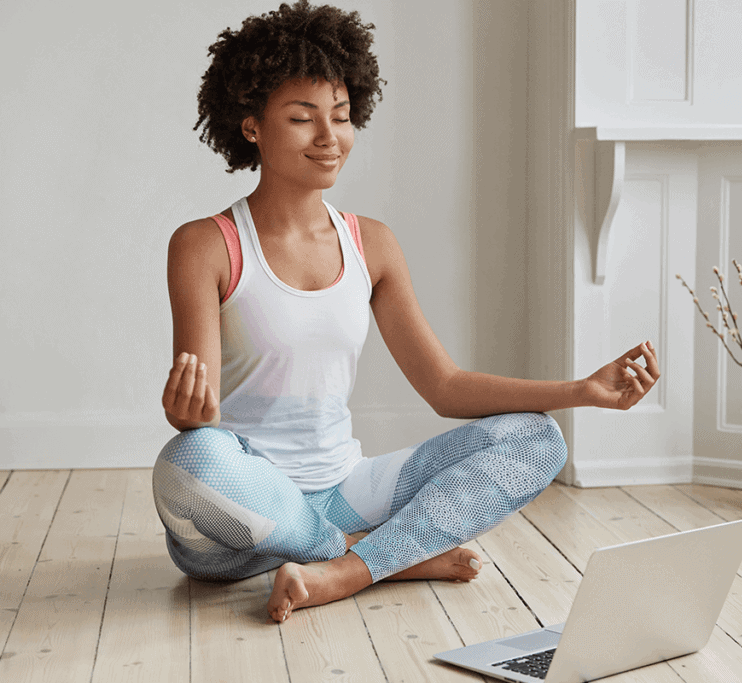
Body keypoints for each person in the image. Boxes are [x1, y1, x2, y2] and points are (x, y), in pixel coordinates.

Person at [153, 0, 660, 624]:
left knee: (536, 438)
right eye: (302, 118)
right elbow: (196, 419)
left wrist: (581, 390)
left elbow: (444, 388)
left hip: (345, 489)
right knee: (189, 463)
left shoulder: (374, 244)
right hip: (243, 515)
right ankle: (384, 556)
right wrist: (188, 415)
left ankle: (344, 569)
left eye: (340, 117)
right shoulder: (204, 244)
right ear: (251, 125)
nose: (329, 138)